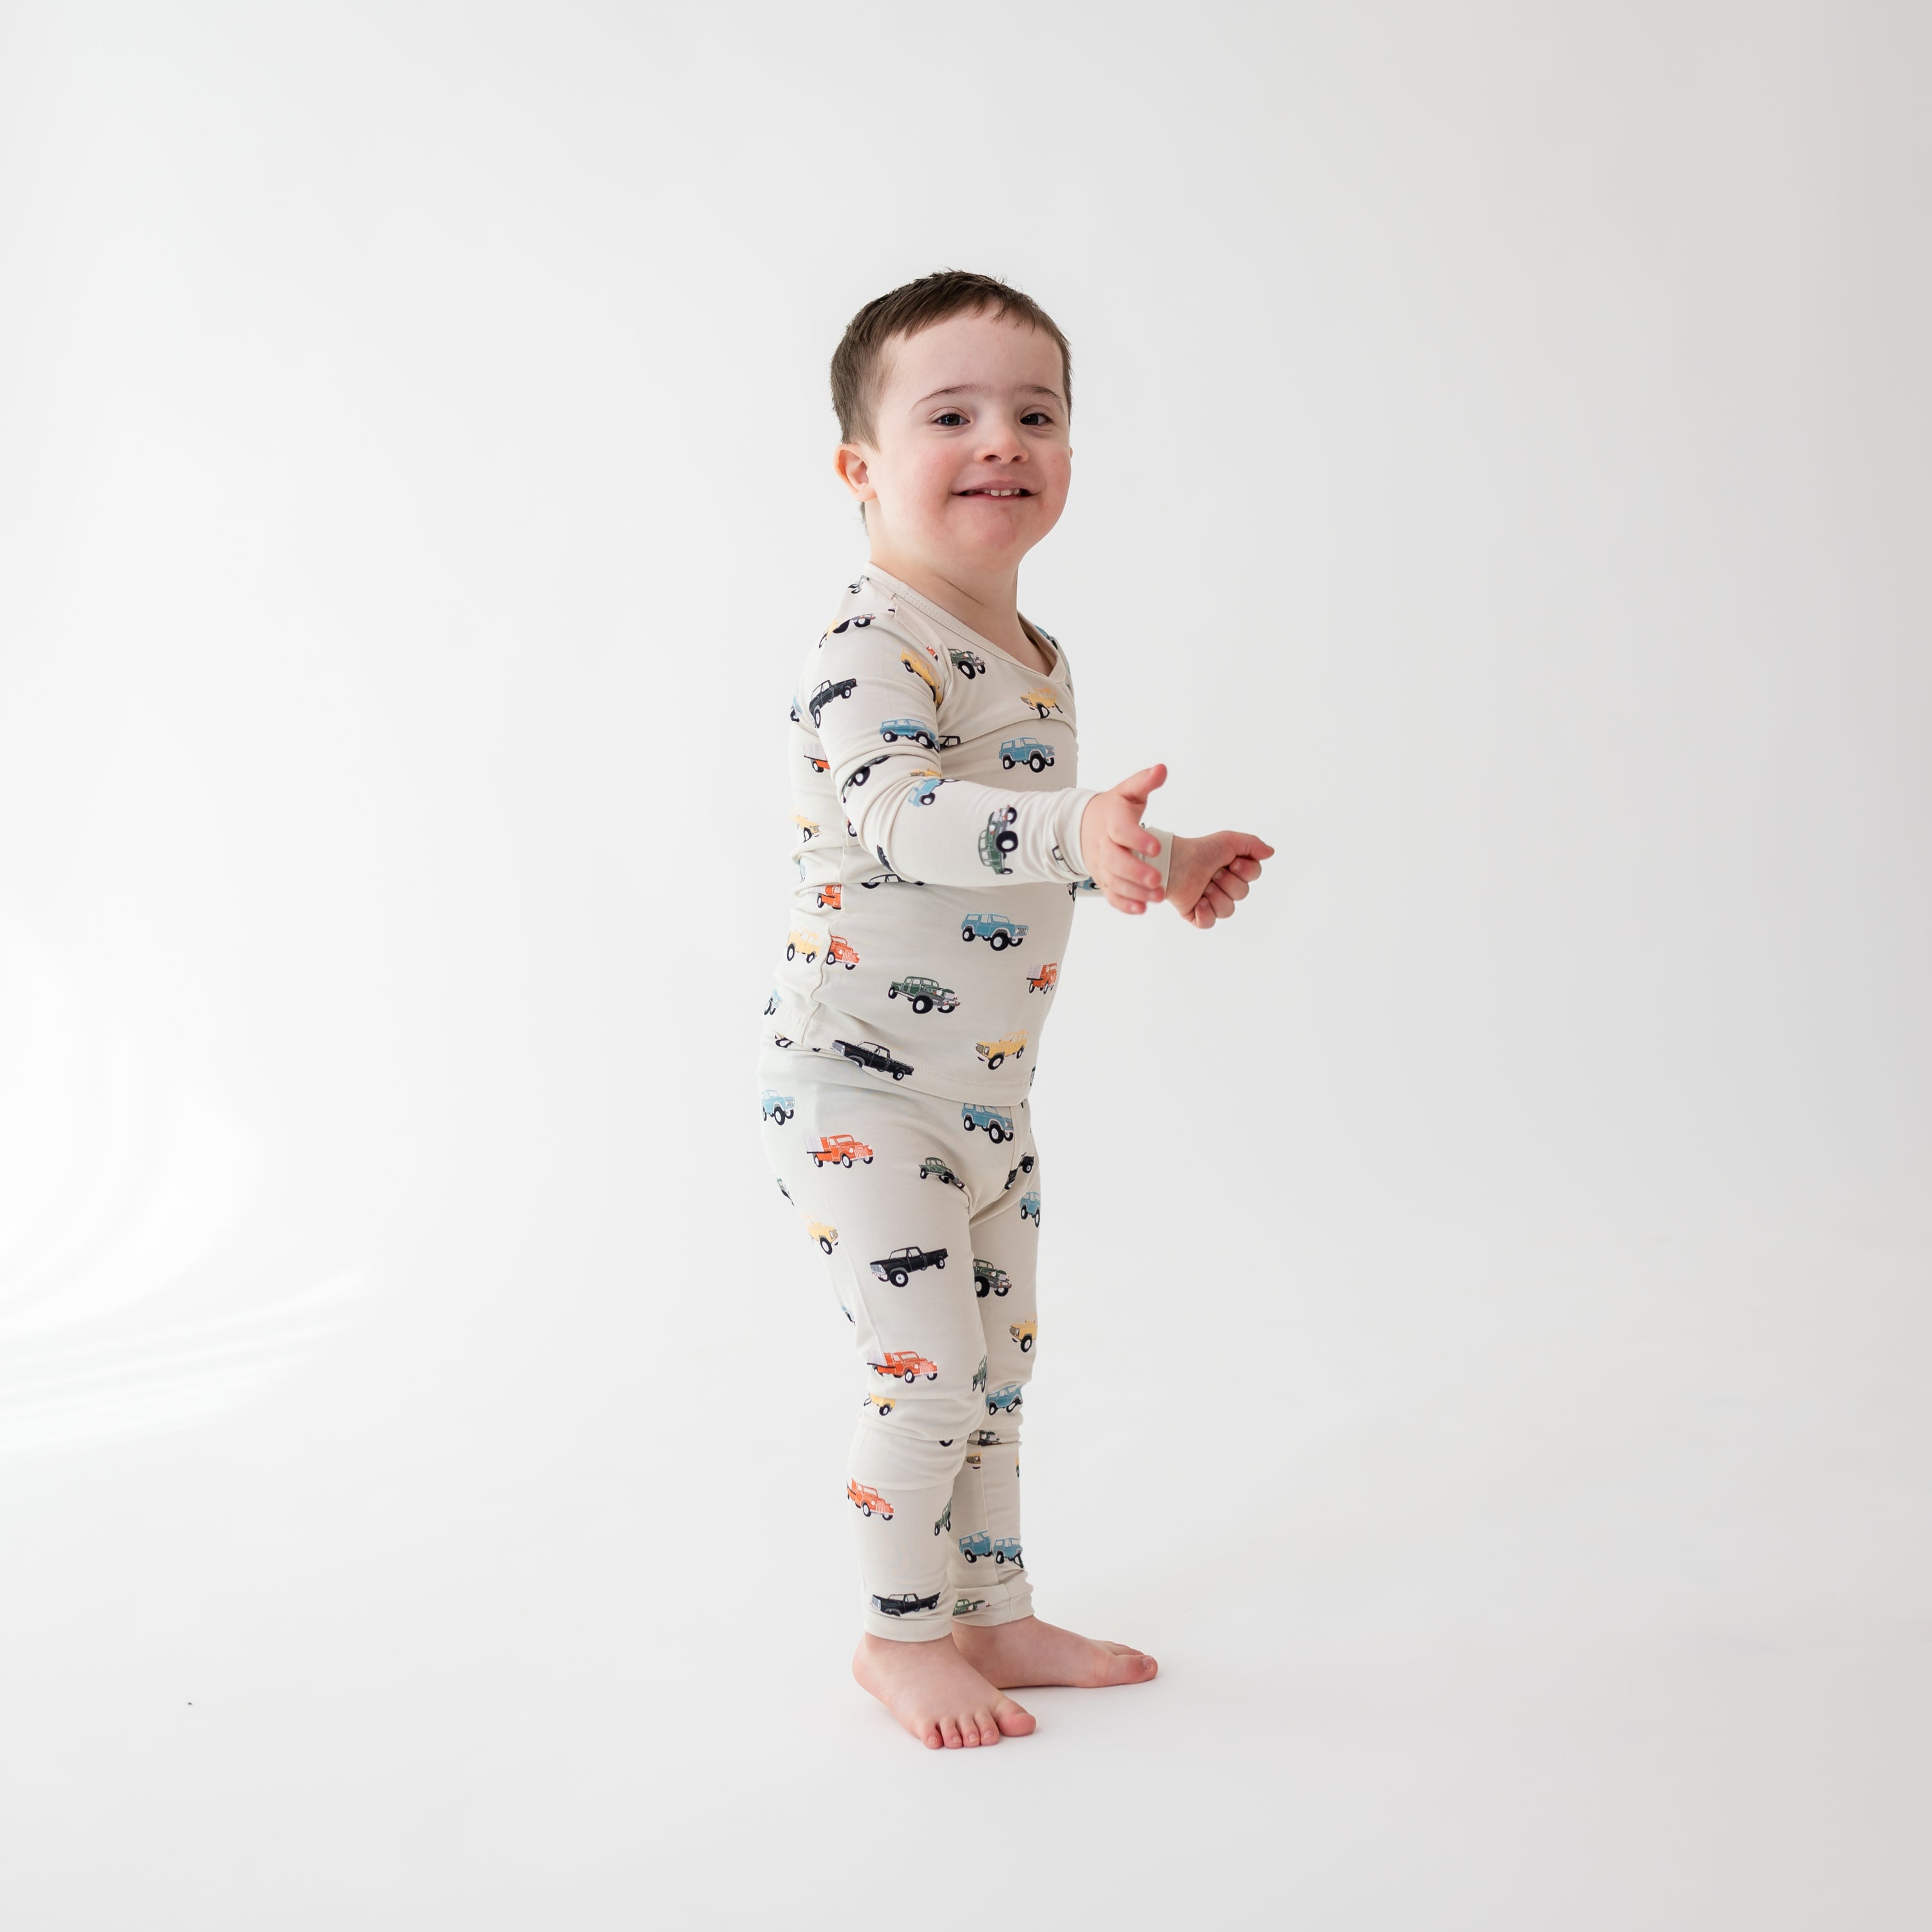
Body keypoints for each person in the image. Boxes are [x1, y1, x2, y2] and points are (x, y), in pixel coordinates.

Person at [757, 270, 1274, 1749]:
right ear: (859, 468)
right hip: (860, 1086)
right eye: (952, 416)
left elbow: (1035, 833)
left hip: (985, 1094)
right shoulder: (871, 645)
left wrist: (1157, 857)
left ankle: (990, 1612)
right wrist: (1070, 833)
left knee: (997, 1379)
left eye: (1034, 414)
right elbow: (907, 815)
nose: (1002, 440)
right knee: (926, 1378)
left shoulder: (1034, 653)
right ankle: (898, 1637)